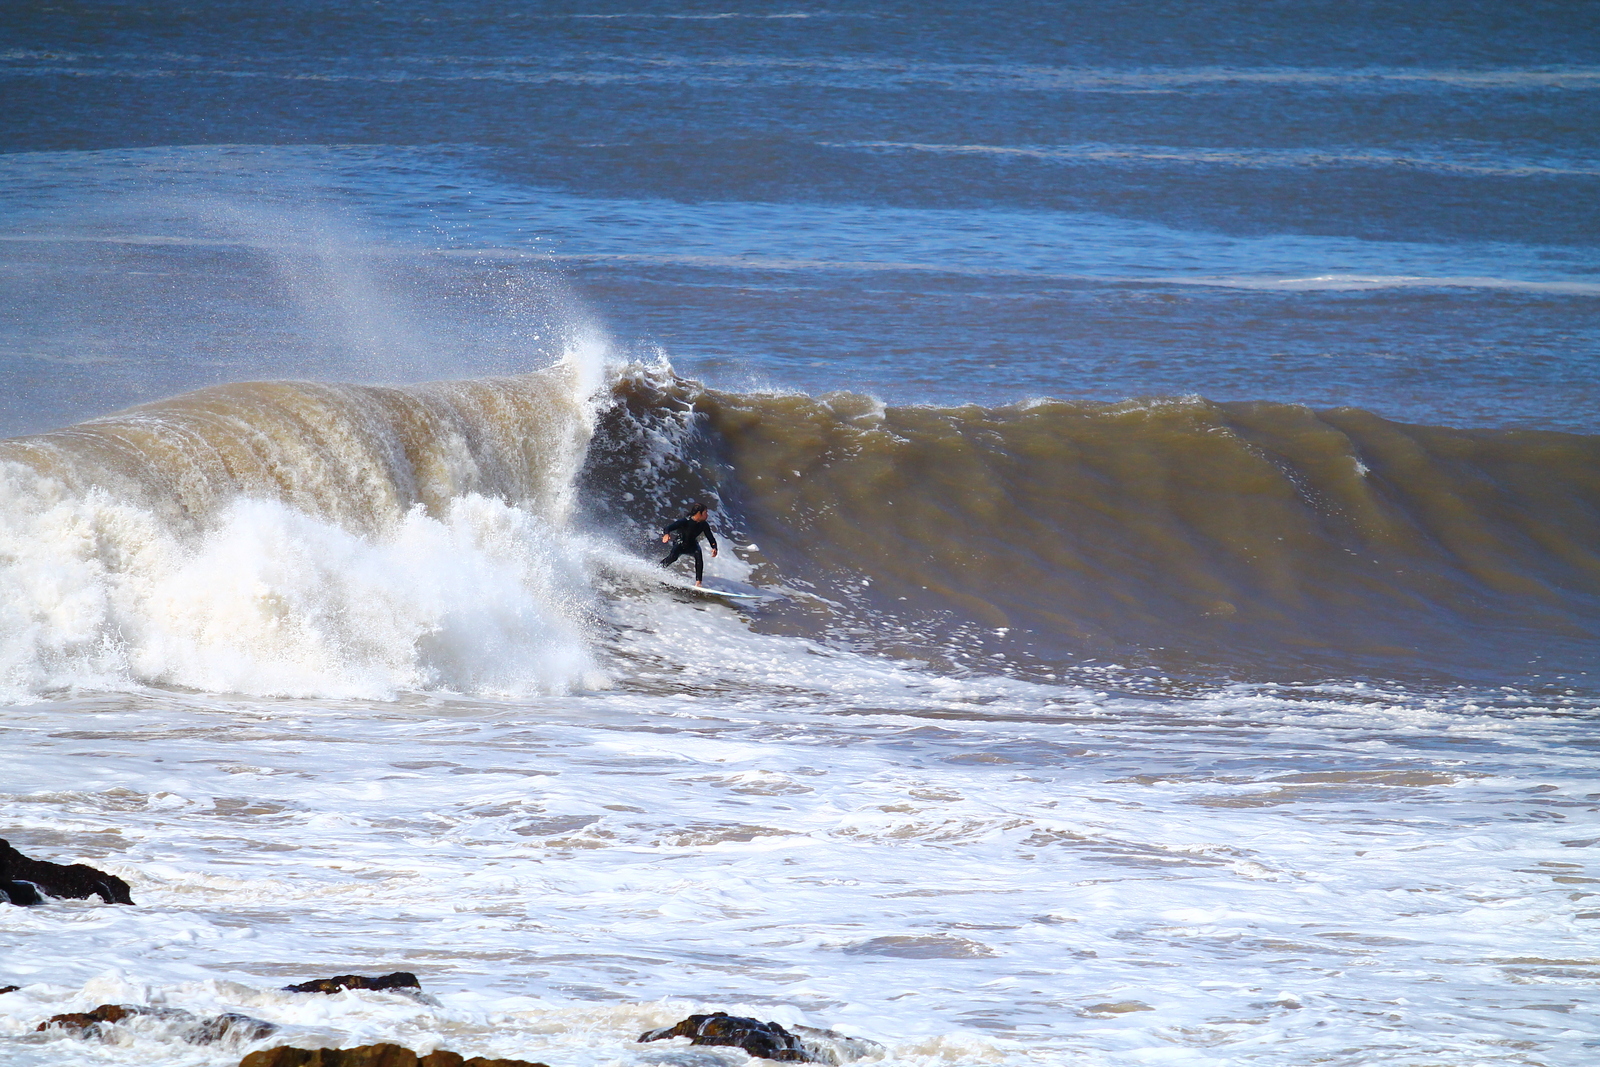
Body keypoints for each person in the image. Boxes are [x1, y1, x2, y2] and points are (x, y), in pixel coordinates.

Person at [660, 503, 718, 586]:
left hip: (692, 544)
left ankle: (698, 583)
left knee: (699, 558)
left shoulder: (704, 525)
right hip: (680, 543)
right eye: (705, 513)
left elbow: (710, 537)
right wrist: (666, 534)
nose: (707, 515)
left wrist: (714, 547)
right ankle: (657, 569)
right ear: (699, 513)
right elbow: (668, 528)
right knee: (672, 557)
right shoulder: (685, 521)